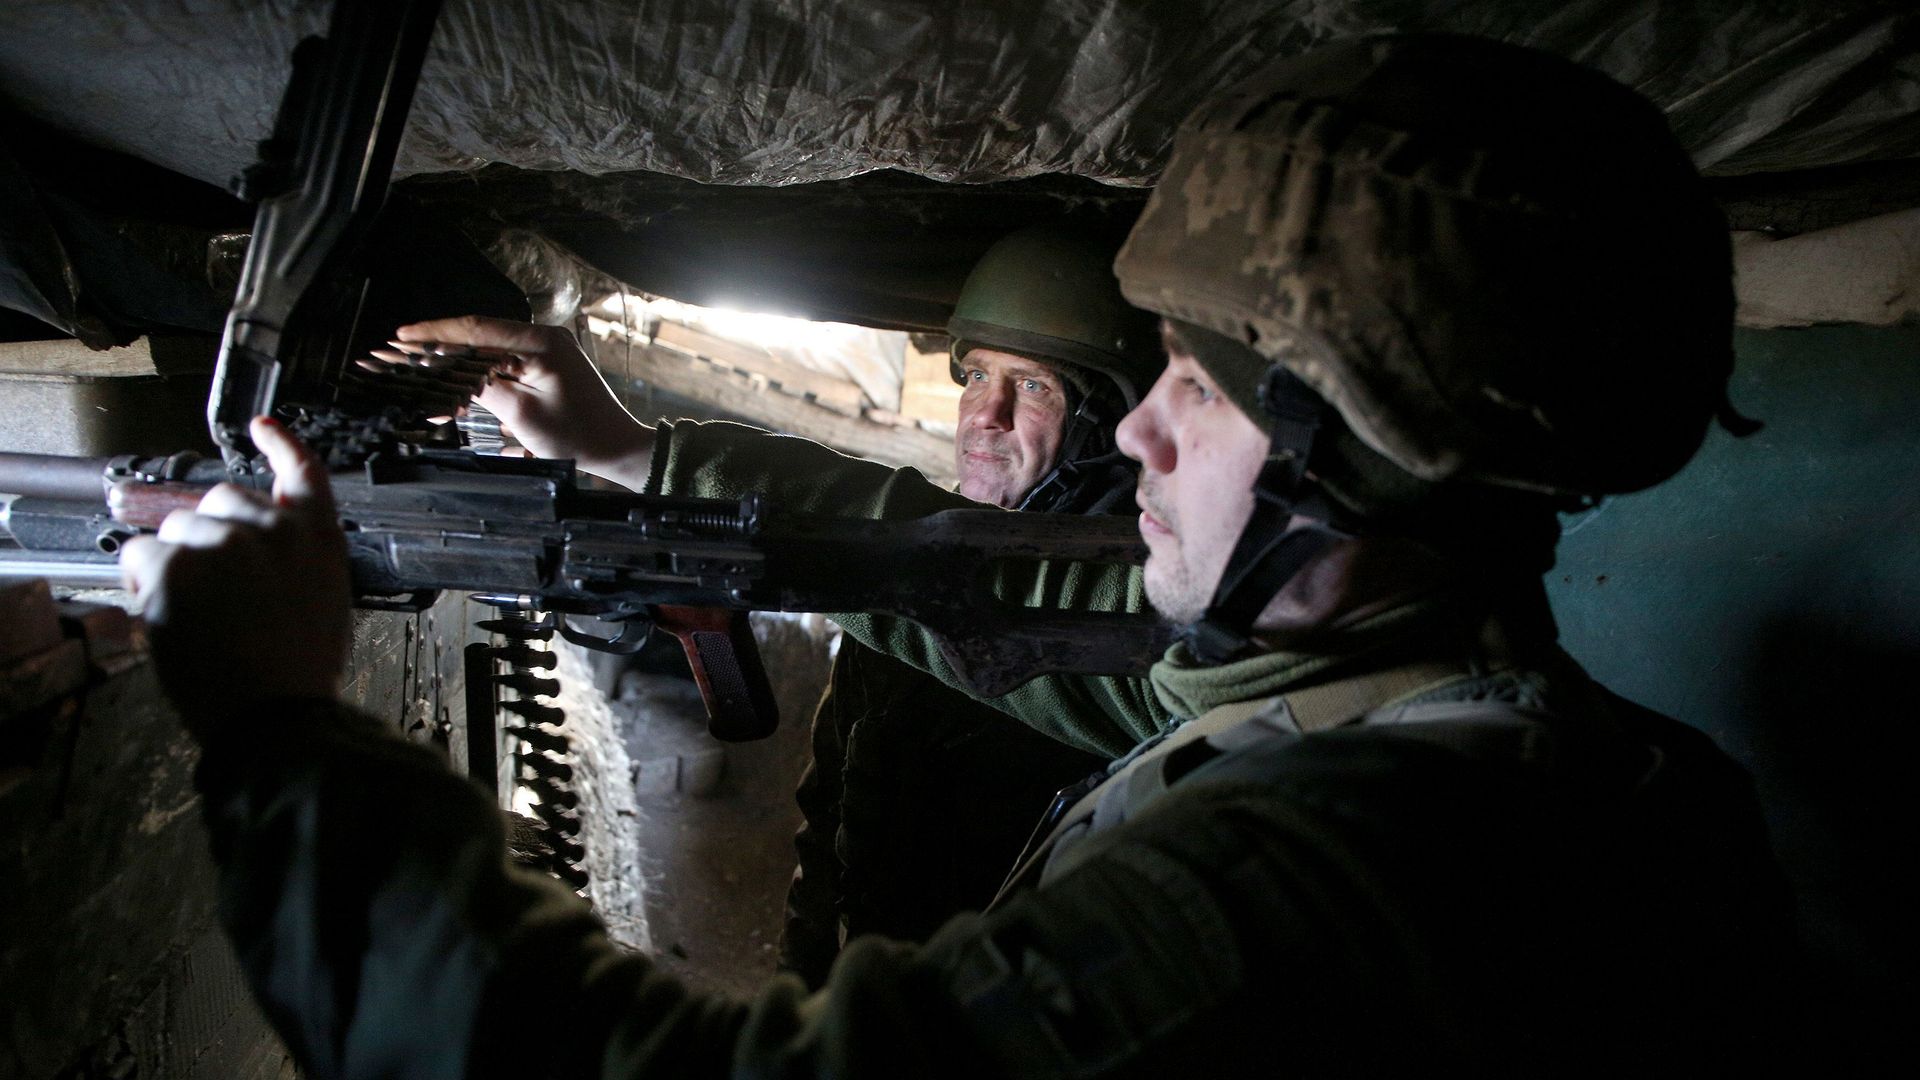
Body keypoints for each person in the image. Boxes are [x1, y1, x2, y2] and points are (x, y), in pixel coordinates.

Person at [121, 34, 1788, 1077]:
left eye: (1193, 393)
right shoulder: (1376, 709)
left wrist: (281, 737)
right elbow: (981, 594)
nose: (1137, 435)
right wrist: (634, 449)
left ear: (1357, 455)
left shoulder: (1368, 873)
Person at [774, 225, 1163, 984]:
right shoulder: (908, 568)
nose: (986, 415)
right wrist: (804, 997)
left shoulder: (1141, 610)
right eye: (976, 377)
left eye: (1035, 386)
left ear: (1104, 429)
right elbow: (829, 824)